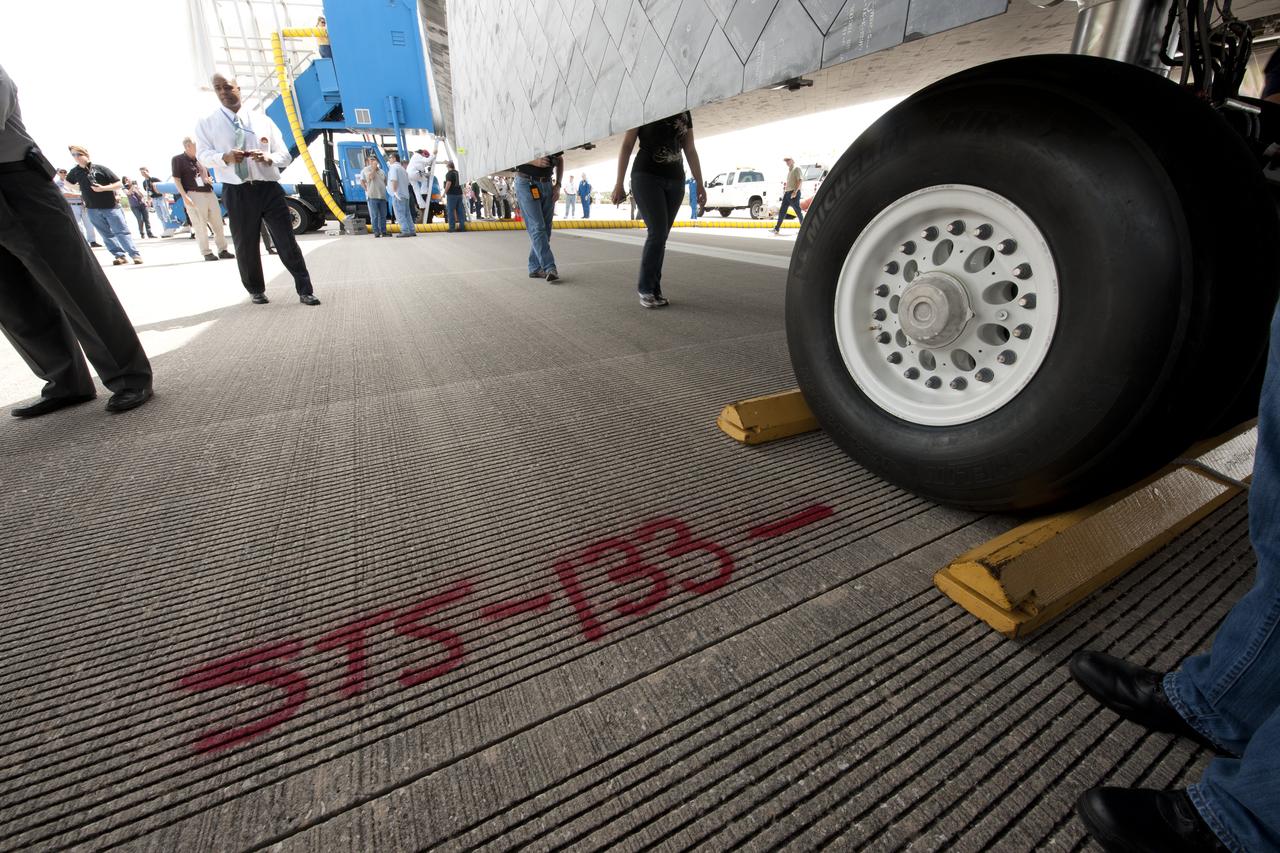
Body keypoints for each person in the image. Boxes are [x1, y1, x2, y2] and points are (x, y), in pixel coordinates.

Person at [0, 64, 153, 416]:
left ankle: (129, 376)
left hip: (16, 183)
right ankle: (65, 382)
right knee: (12, 300)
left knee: (75, 285)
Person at [195, 74, 319, 305]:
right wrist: (225, 157)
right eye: (218, 88)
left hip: (268, 188)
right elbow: (202, 156)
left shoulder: (263, 121)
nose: (224, 92)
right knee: (246, 243)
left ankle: (305, 290)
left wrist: (269, 157)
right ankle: (256, 289)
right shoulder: (207, 124)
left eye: (228, 87)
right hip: (237, 189)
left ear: (238, 88)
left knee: (286, 241)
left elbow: (284, 154)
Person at [611, 111, 705, 309]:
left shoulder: (685, 111)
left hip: (676, 180)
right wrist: (618, 183)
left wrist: (700, 183)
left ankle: (654, 288)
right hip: (646, 175)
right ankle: (646, 288)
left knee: (661, 236)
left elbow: (690, 148)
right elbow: (627, 145)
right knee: (658, 232)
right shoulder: (644, 104)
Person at [66, 145, 142, 265]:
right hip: (92, 208)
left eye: (79, 154)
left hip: (110, 206)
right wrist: (79, 188)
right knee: (105, 234)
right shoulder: (75, 171)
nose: (77, 157)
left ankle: (135, 255)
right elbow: (67, 182)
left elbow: (118, 183)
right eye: (74, 155)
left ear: (86, 154)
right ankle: (119, 256)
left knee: (121, 231)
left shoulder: (100, 168)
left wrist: (104, 188)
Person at [171, 136, 232, 262]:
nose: (198, 147)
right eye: (195, 145)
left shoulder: (200, 160)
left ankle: (223, 250)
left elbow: (207, 175)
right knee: (200, 225)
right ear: (188, 146)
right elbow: (177, 179)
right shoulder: (178, 159)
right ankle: (206, 252)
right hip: (194, 194)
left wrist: (209, 180)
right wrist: (184, 196)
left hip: (209, 192)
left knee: (218, 223)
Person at [513, 153, 561, 280]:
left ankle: (534, 267)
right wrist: (533, 161)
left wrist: (558, 185)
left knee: (546, 231)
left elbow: (560, 159)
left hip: (547, 184)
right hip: (526, 183)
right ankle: (549, 267)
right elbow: (509, 157)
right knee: (538, 227)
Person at [56, 167, 100, 246]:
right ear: (58, 173)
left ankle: (92, 241)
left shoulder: (74, 183)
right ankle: (83, 243)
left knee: (89, 224)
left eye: (65, 171)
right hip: (72, 206)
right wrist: (81, 195)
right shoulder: (58, 184)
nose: (63, 173)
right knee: (78, 225)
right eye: (61, 172)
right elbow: (66, 194)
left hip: (83, 205)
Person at [385, 151, 415, 238]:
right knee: (407, 214)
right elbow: (408, 183)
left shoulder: (393, 168)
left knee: (400, 214)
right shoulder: (402, 169)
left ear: (394, 159)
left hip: (398, 195)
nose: (389, 159)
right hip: (405, 194)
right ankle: (412, 230)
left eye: (390, 158)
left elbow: (394, 180)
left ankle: (405, 231)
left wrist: (394, 192)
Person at [771, 157, 804, 234]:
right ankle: (777, 229)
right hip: (787, 193)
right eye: (786, 161)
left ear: (793, 160)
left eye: (788, 160)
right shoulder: (790, 170)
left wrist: (795, 192)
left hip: (793, 193)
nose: (787, 162)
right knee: (782, 211)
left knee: (797, 211)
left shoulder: (796, 168)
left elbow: (800, 180)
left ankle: (803, 229)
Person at [360, 153, 388, 237]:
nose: (373, 161)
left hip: (382, 196)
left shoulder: (382, 171)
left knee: (383, 215)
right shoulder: (366, 169)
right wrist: (374, 168)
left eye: (374, 159)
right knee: (375, 215)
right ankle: (376, 232)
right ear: (368, 161)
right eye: (371, 160)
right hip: (372, 196)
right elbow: (370, 177)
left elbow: (385, 182)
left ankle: (384, 231)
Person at [139, 166, 174, 235]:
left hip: (161, 198)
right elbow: (148, 192)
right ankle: (166, 229)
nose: (143, 174)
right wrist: (149, 201)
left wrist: (165, 196)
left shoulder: (155, 179)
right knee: (160, 216)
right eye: (141, 173)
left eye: (144, 172)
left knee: (166, 214)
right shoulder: (144, 182)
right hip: (154, 199)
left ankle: (171, 228)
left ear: (147, 171)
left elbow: (164, 186)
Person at [407, 147, 434, 211]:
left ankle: (422, 205)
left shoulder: (415, 158)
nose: (425, 157)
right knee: (424, 180)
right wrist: (434, 155)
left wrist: (427, 173)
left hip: (409, 174)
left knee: (416, 190)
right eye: (425, 156)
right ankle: (424, 192)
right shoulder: (418, 156)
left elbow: (425, 164)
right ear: (423, 154)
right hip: (414, 173)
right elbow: (427, 161)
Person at [443, 160, 466, 233]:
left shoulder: (449, 174)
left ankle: (452, 228)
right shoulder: (457, 173)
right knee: (460, 211)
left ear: (448, 166)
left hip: (452, 194)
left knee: (450, 211)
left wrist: (444, 193)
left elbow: (448, 183)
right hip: (459, 194)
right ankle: (462, 227)